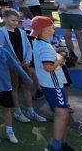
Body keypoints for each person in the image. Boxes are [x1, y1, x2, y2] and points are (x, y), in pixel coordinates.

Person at [0, 9, 45, 124]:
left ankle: (31, 112)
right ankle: (18, 112)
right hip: (12, 67)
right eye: (13, 20)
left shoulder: (21, 32)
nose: (16, 23)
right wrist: (11, 62)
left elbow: (28, 47)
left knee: (26, 87)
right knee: (14, 88)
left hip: (24, 65)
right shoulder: (2, 32)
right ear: (5, 18)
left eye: (17, 21)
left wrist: (27, 60)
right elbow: (0, 50)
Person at [31, 16, 72, 151]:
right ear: (45, 29)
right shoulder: (45, 47)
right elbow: (48, 67)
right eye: (51, 26)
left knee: (63, 110)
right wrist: (60, 59)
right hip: (53, 83)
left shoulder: (38, 42)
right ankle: (56, 144)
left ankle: (61, 141)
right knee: (61, 111)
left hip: (48, 83)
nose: (54, 28)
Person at [55, 0, 82, 64]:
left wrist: (66, 7)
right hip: (63, 15)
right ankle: (71, 56)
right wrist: (58, 6)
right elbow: (56, 3)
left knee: (79, 36)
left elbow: (77, 4)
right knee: (66, 36)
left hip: (75, 15)